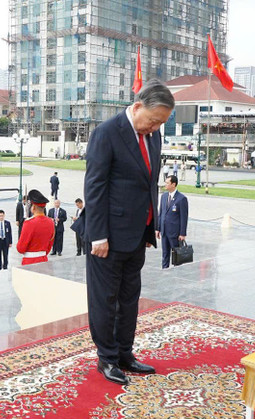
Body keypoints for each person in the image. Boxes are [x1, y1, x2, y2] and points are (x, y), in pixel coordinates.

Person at [84, 79, 173, 384]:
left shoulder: (153, 136)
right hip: (106, 237)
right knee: (104, 300)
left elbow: (149, 183)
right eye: (153, 120)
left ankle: (125, 353)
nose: (155, 127)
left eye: (161, 122)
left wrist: (151, 227)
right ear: (137, 107)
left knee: (129, 298)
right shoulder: (106, 134)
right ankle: (106, 358)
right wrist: (98, 235)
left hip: (137, 234)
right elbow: (95, 187)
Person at [157, 175, 189, 269]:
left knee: (176, 256)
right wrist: (158, 228)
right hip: (164, 231)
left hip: (174, 232)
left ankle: (176, 272)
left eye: (167, 183)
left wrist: (182, 233)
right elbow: (161, 213)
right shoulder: (164, 196)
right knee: (165, 253)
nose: (165, 185)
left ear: (173, 184)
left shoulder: (181, 199)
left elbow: (184, 217)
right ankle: (164, 269)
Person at [15, 189, 55, 265]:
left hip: (29, 262)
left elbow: (20, 248)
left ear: (33, 207)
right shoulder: (51, 222)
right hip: (43, 260)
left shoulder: (29, 223)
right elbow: (49, 245)